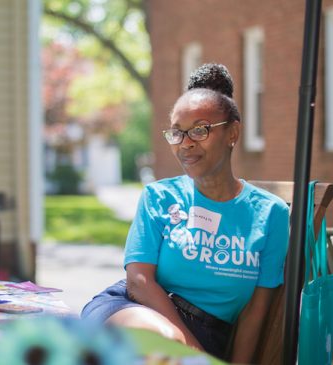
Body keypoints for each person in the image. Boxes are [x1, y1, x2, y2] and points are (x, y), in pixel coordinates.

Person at [81, 64, 290, 362]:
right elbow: (138, 281)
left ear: (233, 133)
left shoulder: (271, 214)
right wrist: (190, 348)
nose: (186, 143)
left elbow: (257, 310)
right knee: (165, 342)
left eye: (200, 130)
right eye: (177, 133)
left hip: (210, 335)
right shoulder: (160, 196)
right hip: (134, 310)